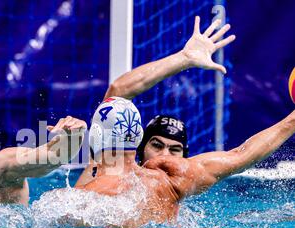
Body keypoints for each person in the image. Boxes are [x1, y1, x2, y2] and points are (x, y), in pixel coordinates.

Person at [70, 97, 295, 228]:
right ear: (139, 138)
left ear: (95, 137)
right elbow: (241, 155)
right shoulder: (170, 179)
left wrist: (58, 148)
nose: (164, 155)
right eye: (157, 145)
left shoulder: (78, 200)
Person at [76, 16, 235, 186]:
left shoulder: (190, 189)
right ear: (140, 149)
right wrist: (184, 58)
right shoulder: (108, 170)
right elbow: (118, 93)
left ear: (185, 158)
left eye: (175, 150)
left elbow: (240, 156)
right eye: (157, 146)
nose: (164, 156)